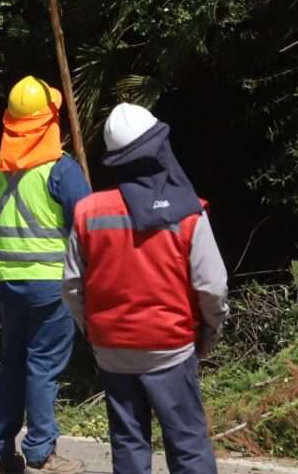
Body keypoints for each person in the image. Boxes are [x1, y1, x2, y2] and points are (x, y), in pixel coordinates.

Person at [63, 104, 228, 474]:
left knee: (129, 445)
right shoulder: (188, 212)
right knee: (188, 445)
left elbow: (72, 286)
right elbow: (212, 288)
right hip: (169, 348)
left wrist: (93, 331)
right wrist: (209, 335)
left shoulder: (89, 212)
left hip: (112, 352)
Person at [0, 76, 91, 474]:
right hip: (52, 284)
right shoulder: (61, 171)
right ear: (50, 122)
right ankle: (40, 452)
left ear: (11, 121)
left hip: (8, 281)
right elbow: (87, 223)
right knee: (42, 367)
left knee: (13, 365)